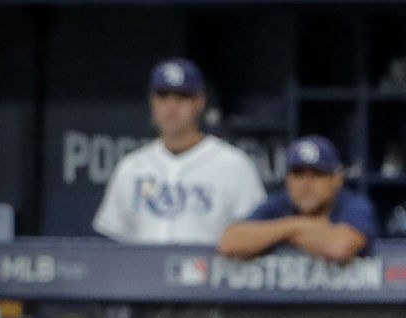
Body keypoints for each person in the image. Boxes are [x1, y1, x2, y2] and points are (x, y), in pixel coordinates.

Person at [93, 58, 265, 244]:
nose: (172, 106)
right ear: (152, 100)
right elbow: (114, 239)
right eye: (163, 96)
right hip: (141, 272)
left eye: (182, 97)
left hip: (209, 271)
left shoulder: (234, 164)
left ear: (200, 102)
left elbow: (256, 232)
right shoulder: (131, 167)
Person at [218, 136, 378, 262]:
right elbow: (229, 242)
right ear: (287, 178)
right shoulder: (278, 204)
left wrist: (274, 234)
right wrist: (295, 227)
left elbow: (340, 247)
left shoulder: (352, 204)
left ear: (336, 179)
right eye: (298, 174)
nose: (306, 184)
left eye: (317, 175)